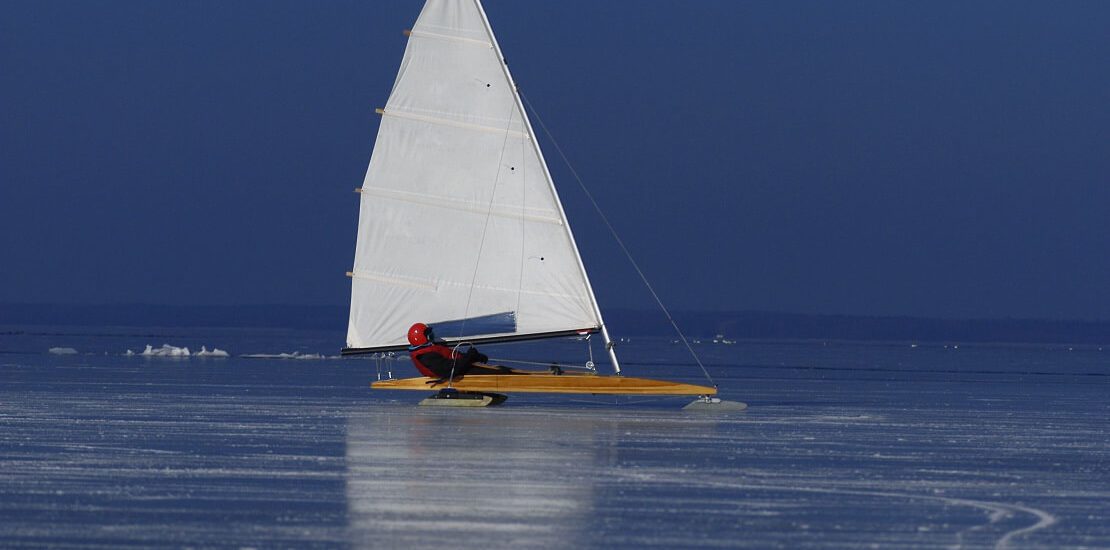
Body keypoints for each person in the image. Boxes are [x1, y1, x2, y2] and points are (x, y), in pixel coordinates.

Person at [406, 322, 513, 380]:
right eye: (428, 334)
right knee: (500, 373)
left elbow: (452, 357)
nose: (431, 336)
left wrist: (474, 357)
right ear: (420, 338)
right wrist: (469, 358)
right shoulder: (425, 355)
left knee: (502, 369)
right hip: (455, 373)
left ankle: (509, 373)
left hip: (462, 368)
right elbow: (449, 369)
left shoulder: (429, 349)